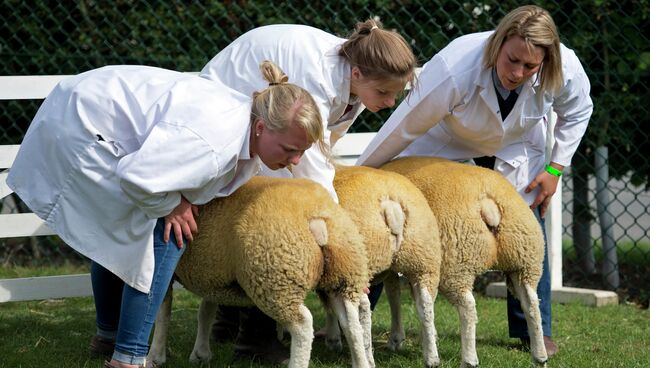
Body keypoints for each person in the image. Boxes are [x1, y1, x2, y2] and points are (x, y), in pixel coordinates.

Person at [6, 61, 324, 368]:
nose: (295, 161)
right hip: (81, 124)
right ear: (260, 127)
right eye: (289, 149)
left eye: (301, 152)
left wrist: (179, 198)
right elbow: (137, 177)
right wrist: (173, 204)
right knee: (166, 235)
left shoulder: (244, 123)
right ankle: (127, 358)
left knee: (122, 231)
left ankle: (110, 337)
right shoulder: (215, 141)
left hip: (86, 106)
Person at [356, 5, 594, 358]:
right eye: (512, 59)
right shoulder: (455, 68)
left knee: (527, 224)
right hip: (445, 136)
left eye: (530, 66)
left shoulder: (564, 66)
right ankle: (357, 313)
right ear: (499, 43)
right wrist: (364, 177)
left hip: (515, 142)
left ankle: (533, 329)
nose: (518, 72)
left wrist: (555, 169)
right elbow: (402, 127)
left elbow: (578, 110)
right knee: (391, 210)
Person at [200, 19, 417, 362]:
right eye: (384, 93)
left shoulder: (355, 86)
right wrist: (345, 245)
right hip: (230, 104)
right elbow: (311, 165)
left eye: (395, 94)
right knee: (281, 224)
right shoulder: (316, 77)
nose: (390, 102)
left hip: (268, 122)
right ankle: (255, 337)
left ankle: (231, 319)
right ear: (358, 75)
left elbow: (327, 141)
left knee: (275, 210)